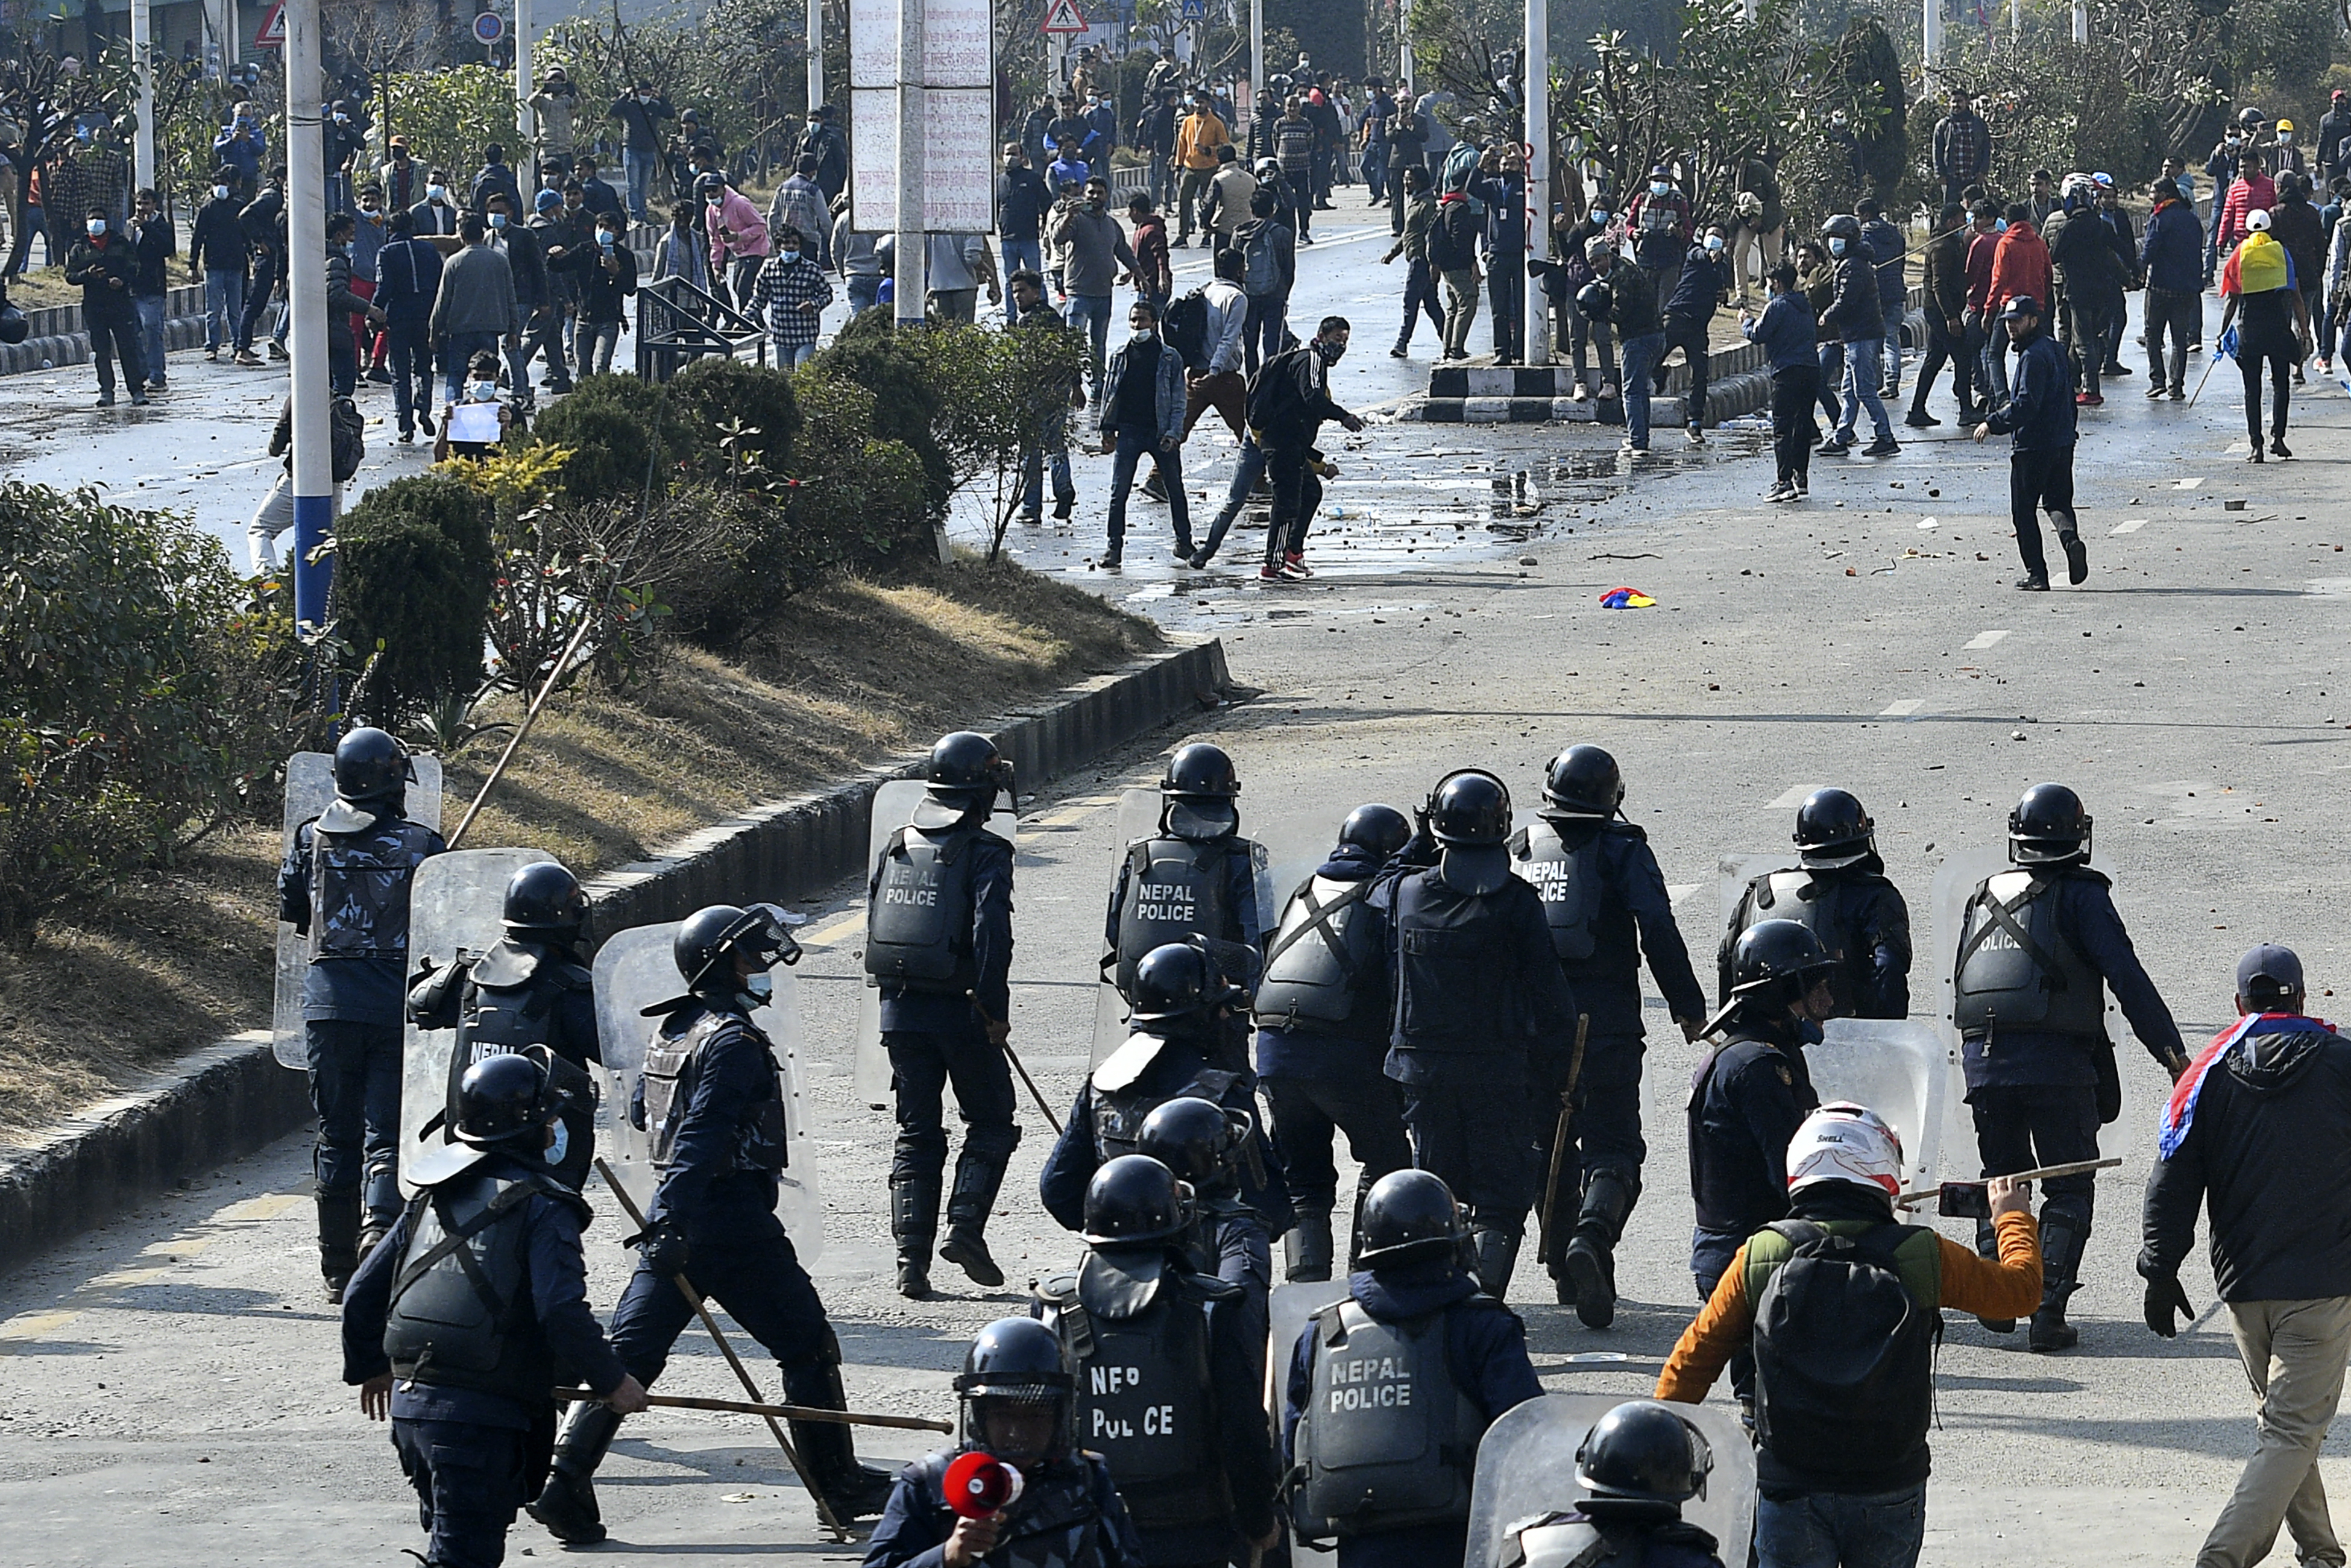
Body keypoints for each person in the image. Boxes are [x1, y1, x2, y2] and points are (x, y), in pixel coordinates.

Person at [530, 904, 896, 1541]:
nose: (762, 971)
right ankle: (835, 1485)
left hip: (676, 1218)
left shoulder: (672, 1031)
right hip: (730, 1220)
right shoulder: (731, 1042)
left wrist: (666, 1221)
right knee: (807, 1344)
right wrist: (676, 1215)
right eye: (752, 960)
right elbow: (702, 1134)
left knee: (629, 1356)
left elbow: (651, 1120)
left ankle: (563, 1483)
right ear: (720, 966)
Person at [1658, 1105, 2044, 1568]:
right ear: (1885, 1173)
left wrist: (1657, 1450)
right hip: (1890, 1481)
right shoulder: (1920, 1253)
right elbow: (2021, 1292)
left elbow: (1691, 1363)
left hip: (1790, 1483)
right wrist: (2012, 1217)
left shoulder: (1764, 1252)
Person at [341, 1054, 651, 1568]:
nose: (556, 1129)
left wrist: (372, 1368)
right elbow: (560, 1312)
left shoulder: (431, 1195)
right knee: (464, 1557)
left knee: (454, 1540)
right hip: (479, 1419)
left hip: (413, 1409)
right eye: (550, 1119)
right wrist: (612, 1382)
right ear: (527, 1128)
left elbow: (361, 1294)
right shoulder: (546, 1205)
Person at [1950, 782, 2190, 1352]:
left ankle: (1996, 1292)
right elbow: (2125, 976)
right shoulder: (2084, 896)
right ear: (2076, 836)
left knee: (2001, 1176)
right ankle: (2045, 1310)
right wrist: (2172, 1053)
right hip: (2059, 1065)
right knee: (2069, 1184)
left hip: (1983, 1062)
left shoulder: (1983, 894)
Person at [2141, 945, 2351, 1568]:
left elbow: (2172, 1179)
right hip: (2322, 1285)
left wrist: (2161, 1266)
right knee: (2292, 1430)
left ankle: (2321, 1551)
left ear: (2239, 1006)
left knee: (2283, 1426)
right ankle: (2223, 1555)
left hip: (2244, 1290)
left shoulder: (2205, 1075)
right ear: (2303, 1000)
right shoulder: (2342, 1063)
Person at [1511, 746, 1707, 1324]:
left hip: (1529, 1026)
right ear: (1612, 799)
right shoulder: (1623, 849)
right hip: (1604, 1026)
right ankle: (1592, 1242)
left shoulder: (1520, 848)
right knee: (1613, 1146)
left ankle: (1567, 1273)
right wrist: (1689, 1008)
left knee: (1547, 1147)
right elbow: (1659, 931)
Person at [1371, 770, 1578, 1297]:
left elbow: (1378, 882)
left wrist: (1420, 834)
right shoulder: (1516, 902)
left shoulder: (1407, 894)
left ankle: (1441, 1303)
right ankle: (1481, 1303)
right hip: (1500, 1077)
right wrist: (1557, 1078)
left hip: (1423, 1076)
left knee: (1440, 1193)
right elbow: (1553, 1001)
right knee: (1502, 1202)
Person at [1282, 1169, 1543, 1566]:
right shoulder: (1482, 1325)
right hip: (1459, 1543)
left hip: (1360, 1547)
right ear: (1452, 1245)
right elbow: (1526, 1439)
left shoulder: (1323, 1331)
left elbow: (1292, 1444)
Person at [1034, 1156, 1281, 1568]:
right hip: (1189, 1533)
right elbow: (1241, 1425)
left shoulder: (1052, 1310)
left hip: (1080, 1529)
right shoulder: (1211, 1307)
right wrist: (1259, 1520)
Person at [277, 728, 444, 1296]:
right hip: (395, 1011)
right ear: (396, 783)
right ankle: (380, 1235)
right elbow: (444, 925)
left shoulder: (309, 840)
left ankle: (336, 1266)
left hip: (328, 1008)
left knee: (336, 1134)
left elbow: (292, 905)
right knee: (388, 1134)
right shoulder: (424, 845)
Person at [866, 732, 1021, 1300]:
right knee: (992, 1120)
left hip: (899, 1011)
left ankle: (911, 1259)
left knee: (916, 1131)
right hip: (962, 1011)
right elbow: (991, 936)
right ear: (983, 794)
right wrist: (993, 1009)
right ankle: (965, 1227)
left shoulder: (895, 846)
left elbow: (875, 920)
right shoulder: (987, 853)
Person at [1254, 805, 1414, 1281]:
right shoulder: (1386, 898)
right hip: (1343, 1056)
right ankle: (1367, 1277)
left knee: (1303, 1179)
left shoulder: (1304, 891)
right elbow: (1399, 986)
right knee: (1388, 1160)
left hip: (1274, 1052)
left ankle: (1305, 1285)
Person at [864, 1318, 1147, 1568]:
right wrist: (948, 1555)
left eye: (1036, 1415)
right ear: (979, 1417)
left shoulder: (1087, 1477)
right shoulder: (931, 1482)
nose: (1018, 1432)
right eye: (1003, 1415)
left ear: (1060, 1418)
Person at [1685, 921, 1834, 1308]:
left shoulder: (1750, 1054)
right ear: (1780, 992)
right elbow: (1791, 1173)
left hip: (1742, 1253)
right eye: (1813, 987)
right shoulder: (1758, 1069)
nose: (1827, 1001)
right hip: (1753, 1258)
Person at [1098, 744, 1273, 1069]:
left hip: (1150, 1005)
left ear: (1170, 800)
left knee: (1144, 1094)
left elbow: (1115, 933)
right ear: (1230, 803)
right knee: (1230, 1104)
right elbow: (1260, 943)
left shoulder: (1140, 856)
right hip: (1217, 1011)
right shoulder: (1243, 859)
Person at [1972, 294, 2083, 591]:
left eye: (2018, 321)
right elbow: (2070, 398)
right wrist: (2068, 432)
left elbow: (2025, 406)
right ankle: (2071, 542)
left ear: (2033, 320)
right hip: (2062, 443)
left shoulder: (2033, 357)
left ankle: (2037, 574)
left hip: (2034, 447)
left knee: (2023, 511)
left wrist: (1992, 423)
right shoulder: (2056, 350)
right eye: (2008, 322)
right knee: (2058, 502)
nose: (2012, 327)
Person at [1247, 315, 1362, 582]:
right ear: (1321, 337)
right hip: (1281, 442)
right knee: (1286, 503)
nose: (1340, 346)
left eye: (1344, 341)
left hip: (1293, 443)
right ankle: (1272, 565)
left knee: (1311, 491)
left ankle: (1293, 552)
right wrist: (1342, 416)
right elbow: (1312, 396)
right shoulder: (1311, 360)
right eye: (1336, 339)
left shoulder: (1313, 362)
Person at [1092, 298, 1192, 569]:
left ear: (1154, 323)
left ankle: (1185, 542)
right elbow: (1111, 394)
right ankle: (1114, 547)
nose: (1138, 325)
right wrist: (1107, 429)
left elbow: (1178, 398)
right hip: (1129, 432)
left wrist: (1174, 432)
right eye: (1134, 320)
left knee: (1175, 489)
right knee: (1119, 492)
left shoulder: (1169, 357)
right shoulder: (1120, 355)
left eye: (1143, 320)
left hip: (1160, 433)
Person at [2218, 207, 2312, 462]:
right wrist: (2305, 332)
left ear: (2247, 232)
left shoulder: (2240, 254)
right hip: (2278, 330)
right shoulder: (2282, 253)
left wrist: (2222, 331)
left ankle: (2256, 446)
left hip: (2250, 330)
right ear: (2271, 230)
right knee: (2281, 385)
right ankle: (2278, 439)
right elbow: (2296, 297)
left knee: (2252, 390)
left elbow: (2232, 300)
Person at [1052, 176, 1138, 406]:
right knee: (1074, 344)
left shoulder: (1111, 224)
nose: (1095, 197)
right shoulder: (1077, 220)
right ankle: (1074, 386)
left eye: (1100, 193)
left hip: (1103, 294)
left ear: (1106, 196)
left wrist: (1139, 274)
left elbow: (1123, 251)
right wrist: (1069, 215)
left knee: (1099, 343)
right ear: (1084, 195)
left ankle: (1098, 388)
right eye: (1091, 193)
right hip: (1078, 293)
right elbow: (1057, 238)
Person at [1816, 214, 1896, 457]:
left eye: (1838, 238)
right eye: (1831, 238)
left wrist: (1827, 316)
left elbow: (1847, 301)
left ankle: (1885, 437)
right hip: (1855, 334)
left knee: (1864, 391)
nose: (1833, 243)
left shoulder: (1854, 265)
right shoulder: (1851, 262)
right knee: (1849, 392)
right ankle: (1841, 438)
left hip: (1863, 335)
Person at [1008, 269, 1081, 524]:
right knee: (1056, 443)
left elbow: (1024, 363)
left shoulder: (1028, 322)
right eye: (1015, 291)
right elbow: (1070, 353)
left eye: (1022, 291)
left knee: (1031, 450)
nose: (1018, 297)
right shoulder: (1054, 317)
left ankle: (1031, 505)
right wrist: (1076, 385)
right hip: (1058, 390)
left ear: (1036, 292)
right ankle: (1063, 489)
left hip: (1035, 393)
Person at [429, 213, 522, 407]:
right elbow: (510, 298)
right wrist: (514, 330)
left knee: (456, 375)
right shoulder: (500, 261)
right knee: (487, 375)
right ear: (482, 234)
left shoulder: (454, 262)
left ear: (461, 236)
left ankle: (452, 413)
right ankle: (485, 412)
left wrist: (434, 333)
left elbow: (442, 301)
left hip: (460, 331)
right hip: (490, 330)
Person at [1745, 260, 1819, 502]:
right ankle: (1801, 476)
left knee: (1783, 428)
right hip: (1810, 370)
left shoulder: (1777, 306)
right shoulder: (1804, 305)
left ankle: (1783, 481)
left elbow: (1758, 334)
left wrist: (1745, 321)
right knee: (1803, 424)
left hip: (1786, 372)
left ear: (1776, 283)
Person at [64, 208, 146, 407]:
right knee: (101, 351)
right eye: (92, 220)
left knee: (128, 348)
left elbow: (135, 268)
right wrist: (88, 274)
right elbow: (70, 276)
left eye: (99, 220)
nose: (96, 224)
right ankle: (106, 391)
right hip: (95, 306)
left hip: (120, 304)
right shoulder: (80, 248)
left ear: (107, 223)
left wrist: (122, 281)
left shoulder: (120, 243)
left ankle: (136, 390)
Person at [2047, 180, 2119, 406]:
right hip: (2103, 292)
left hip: (2077, 292)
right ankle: (2068, 380)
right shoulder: (2102, 226)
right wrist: (2134, 274)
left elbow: (2053, 256)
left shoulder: (2069, 228)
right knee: (2084, 340)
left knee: (2083, 342)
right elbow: (2119, 252)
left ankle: (2091, 388)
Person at [1655, 224, 1731, 440]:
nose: (1714, 238)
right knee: (1653, 357)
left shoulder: (1723, 265)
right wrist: (1709, 255)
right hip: (1676, 317)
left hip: (1698, 327)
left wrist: (1723, 296)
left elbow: (1722, 288)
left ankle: (1695, 423)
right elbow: (1700, 255)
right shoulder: (1694, 252)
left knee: (1699, 375)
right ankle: (1659, 374)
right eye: (1711, 234)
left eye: (1719, 235)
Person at [374, 210, 442, 442]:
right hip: (426, 316)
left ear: (390, 230)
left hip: (399, 317)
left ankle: (406, 424)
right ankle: (423, 408)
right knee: (424, 367)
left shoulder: (386, 253)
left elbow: (385, 287)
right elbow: (439, 283)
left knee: (400, 372)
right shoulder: (429, 250)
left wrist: (374, 312)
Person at [1590, 241, 1664, 454]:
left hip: (1638, 338)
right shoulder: (1624, 266)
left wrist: (1598, 315)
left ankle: (1638, 441)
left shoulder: (1621, 276)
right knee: (1641, 391)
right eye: (1592, 264)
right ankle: (1641, 437)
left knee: (1631, 391)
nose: (1596, 267)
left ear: (1607, 256)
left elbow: (1619, 311)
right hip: (1655, 335)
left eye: (1598, 261)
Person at [1907, 204, 1972, 427]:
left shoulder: (1952, 244)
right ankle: (1966, 410)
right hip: (1941, 312)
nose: (1965, 225)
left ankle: (1917, 410)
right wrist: (1951, 317)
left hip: (1945, 310)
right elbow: (1939, 286)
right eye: (1962, 220)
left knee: (1935, 359)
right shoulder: (1942, 247)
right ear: (1951, 222)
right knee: (1963, 356)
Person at [2142, 177, 2205, 399]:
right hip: (2186, 289)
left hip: (2160, 287)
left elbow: (2150, 249)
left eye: (2153, 192)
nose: (2150, 197)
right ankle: (2176, 386)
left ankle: (2157, 380)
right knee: (2180, 338)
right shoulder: (2191, 219)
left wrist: (2138, 271)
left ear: (2164, 194)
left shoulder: (2160, 218)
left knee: (2152, 334)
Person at [1467, 145, 1527, 362]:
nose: (1508, 167)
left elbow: (1539, 180)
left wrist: (1521, 155)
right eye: (1504, 164)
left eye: (1512, 164)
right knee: (1498, 308)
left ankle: (1520, 351)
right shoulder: (1492, 187)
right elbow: (1471, 187)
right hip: (1497, 253)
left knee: (1521, 306)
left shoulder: (1524, 186)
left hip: (1520, 253)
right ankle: (1502, 352)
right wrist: (1482, 164)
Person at [1378, 166, 1446, 358]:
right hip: (1415, 258)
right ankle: (1450, 343)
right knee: (1432, 304)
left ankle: (1402, 343)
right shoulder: (1415, 202)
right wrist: (1393, 253)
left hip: (1422, 261)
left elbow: (1432, 237)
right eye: (1406, 179)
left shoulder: (1427, 205)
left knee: (1410, 301)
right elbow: (1410, 234)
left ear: (1421, 182)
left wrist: (1434, 264)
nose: (1407, 183)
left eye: (1411, 180)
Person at [746, 224, 832, 370]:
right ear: (779, 246)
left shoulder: (811, 269)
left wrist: (813, 304)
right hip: (781, 335)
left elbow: (827, 294)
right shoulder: (769, 269)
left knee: (805, 375)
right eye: (786, 243)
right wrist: (744, 319)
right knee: (785, 378)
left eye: (795, 243)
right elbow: (759, 299)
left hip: (805, 333)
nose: (791, 246)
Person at [189, 168, 251, 364]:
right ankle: (212, 346)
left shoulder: (239, 206)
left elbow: (247, 234)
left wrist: (252, 256)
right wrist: (193, 264)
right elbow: (197, 238)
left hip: (235, 265)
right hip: (213, 266)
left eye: (223, 184)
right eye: (216, 184)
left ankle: (239, 345)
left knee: (235, 310)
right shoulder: (207, 209)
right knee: (213, 310)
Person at [1233, 187, 1295, 375]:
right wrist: (1284, 294)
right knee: (1272, 347)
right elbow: (1289, 269)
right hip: (1275, 296)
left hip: (1248, 297)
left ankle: (1253, 383)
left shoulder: (1239, 234)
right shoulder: (1283, 234)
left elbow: (1232, 269)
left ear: (1251, 209)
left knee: (1250, 346)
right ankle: (1269, 384)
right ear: (1273, 209)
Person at [324, 213, 386, 397]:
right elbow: (338, 295)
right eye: (350, 233)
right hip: (335, 328)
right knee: (343, 385)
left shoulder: (318, 256)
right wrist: (369, 309)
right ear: (339, 235)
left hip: (325, 329)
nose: (353, 238)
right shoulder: (335, 260)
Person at [568, 213, 637, 376]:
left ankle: (602, 397)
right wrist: (554, 253)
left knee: (601, 366)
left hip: (608, 320)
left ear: (617, 232)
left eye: (608, 228)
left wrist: (615, 273)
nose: (602, 231)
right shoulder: (584, 250)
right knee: (582, 367)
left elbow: (631, 289)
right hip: (584, 319)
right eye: (600, 227)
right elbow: (559, 266)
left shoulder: (625, 256)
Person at [1857, 197, 1907, 401]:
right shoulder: (1895, 234)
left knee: (1870, 341)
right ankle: (1892, 382)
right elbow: (1902, 262)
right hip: (1895, 291)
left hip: (1874, 295)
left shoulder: (1863, 237)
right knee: (1891, 340)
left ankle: (1874, 382)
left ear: (1866, 215)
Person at [1626, 165, 1692, 313]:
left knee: (1666, 306)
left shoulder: (1678, 201)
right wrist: (1633, 233)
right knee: (1646, 305)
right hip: (1646, 260)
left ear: (1669, 183)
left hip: (1670, 261)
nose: (1659, 184)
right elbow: (1629, 224)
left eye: (1663, 180)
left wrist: (1678, 232)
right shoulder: (1642, 199)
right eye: (1656, 180)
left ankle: (1665, 335)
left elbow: (1689, 233)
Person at [995, 143, 1050, 319]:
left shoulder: (1033, 178)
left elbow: (1046, 203)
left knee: (1036, 280)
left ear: (1022, 157)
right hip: (1007, 240)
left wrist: (1044, 224)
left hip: (1029, 239)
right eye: (1007, 154)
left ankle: (1043, 316)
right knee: (1011, 283)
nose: (1010, 157)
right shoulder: (999, 181)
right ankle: (1012, 319)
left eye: (1014, 154)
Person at [128, 187, 172, 393]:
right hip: (132, 288)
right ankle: (140, 374)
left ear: (154, 205)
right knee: (134, 334)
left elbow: (166, 248)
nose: (142, 208)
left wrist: (147, 227)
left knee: (152, 330)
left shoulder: (160, 226)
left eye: (146, 204)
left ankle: (157, 375)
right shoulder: (131, 227)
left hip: (153, 288)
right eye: (139, 204)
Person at [610, 81, 675, 222]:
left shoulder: (654, 106)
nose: (645, 97)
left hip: (649, 150)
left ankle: (642, 215)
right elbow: (613, 111)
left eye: (648, 94)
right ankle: (634, 216)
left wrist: (661, 97)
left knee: (643, 186)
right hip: (632, 149)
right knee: (633, 185)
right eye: (642, 94)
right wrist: (626, 94)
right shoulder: (629, 105)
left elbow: (670, 114)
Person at [1174, 92, 1230, 245]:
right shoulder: (1188, 122)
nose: (1199, 106)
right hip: (1190, 168)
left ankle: (1207, 234)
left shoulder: (1216, 123)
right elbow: (1182, 144)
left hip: (1209, 168)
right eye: (1197, 102)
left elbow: (1225, 146)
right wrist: (1178, 166)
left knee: (1207, 203)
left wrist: (1209, 150)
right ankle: (1182, 235)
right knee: (1184, 201)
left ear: (1208, 104)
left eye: (1202, 103)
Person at [768, 153, 833, 272]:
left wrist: (775, 239)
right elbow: (825, 221)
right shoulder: (813, 190)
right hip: (808, 242)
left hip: (786, 241)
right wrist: (831, 240)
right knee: (808, 279)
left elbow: (772, 217)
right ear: (813, 171)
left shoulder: (783, 188)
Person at [1933, 86, 1991, 209]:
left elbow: (1986, 149)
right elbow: (1937, 151)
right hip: (1952, 180)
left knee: (1976, 211)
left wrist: (1983, 172)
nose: (1956, 105)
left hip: (1973, 179)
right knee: (1952, 213)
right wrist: (1940, 174)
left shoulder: (1978, 124)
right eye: (1953, 102)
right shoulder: (1943, 125)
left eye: (1959, 101)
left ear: (1967, 102)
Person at [2218, 150, 2277, 256]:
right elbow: (2227, 216)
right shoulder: (2235, 189)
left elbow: (2276, 213)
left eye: (2247, 167)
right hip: (2241, 243)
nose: (2243, 171)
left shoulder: (2270, 186)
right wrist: (2222, 241)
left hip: (2266, 243)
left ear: (2257, 167)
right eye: (2241, 167)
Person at [1201, 144, 1257, 257]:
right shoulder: (1251, 178)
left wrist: (1206, 225)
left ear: (1218, 160)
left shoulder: (1219, 179)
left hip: (1225, 230)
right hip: (1247, 228)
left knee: (1223, 269)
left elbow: (1209, 204)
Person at [1124, 195, 1171, 318]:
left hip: (1153, 287)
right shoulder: (1141, 228)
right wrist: (1131, 273)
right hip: (1146, 284)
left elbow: (1161, 255)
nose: (1129, 215)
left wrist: (1162, 277)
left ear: (1135, 210)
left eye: (1130, 211)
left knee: (1147, 324)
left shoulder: (1151, 230)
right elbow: (1140, 257)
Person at [526, 67, 579, 175]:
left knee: (565, 182)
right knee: (546, 181)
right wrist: (542, 90)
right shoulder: (542, 100)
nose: (556, 85)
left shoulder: (567, 100)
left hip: (565, 149)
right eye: (553, 82)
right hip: (547, 149)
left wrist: (573, 93)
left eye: (559, 83)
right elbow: (530, 102)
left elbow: (578, 105)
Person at [213, 99, 266, 190]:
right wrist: (231, 141)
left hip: (248, 179)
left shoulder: (257, 133)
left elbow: (261, 150)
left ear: (251, 117)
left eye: (246, 116)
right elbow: (217, 149)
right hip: (228, 179)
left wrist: (249, 140)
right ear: (234, 115)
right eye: (240, 115)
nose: (242, 118)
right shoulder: (225, 131)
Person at [409, 167, 461, 238]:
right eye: (432, 183)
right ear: (425, 186)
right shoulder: (415, 212)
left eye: (440, 184)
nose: (436, 187)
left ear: (445, 188)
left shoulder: (451, 213)